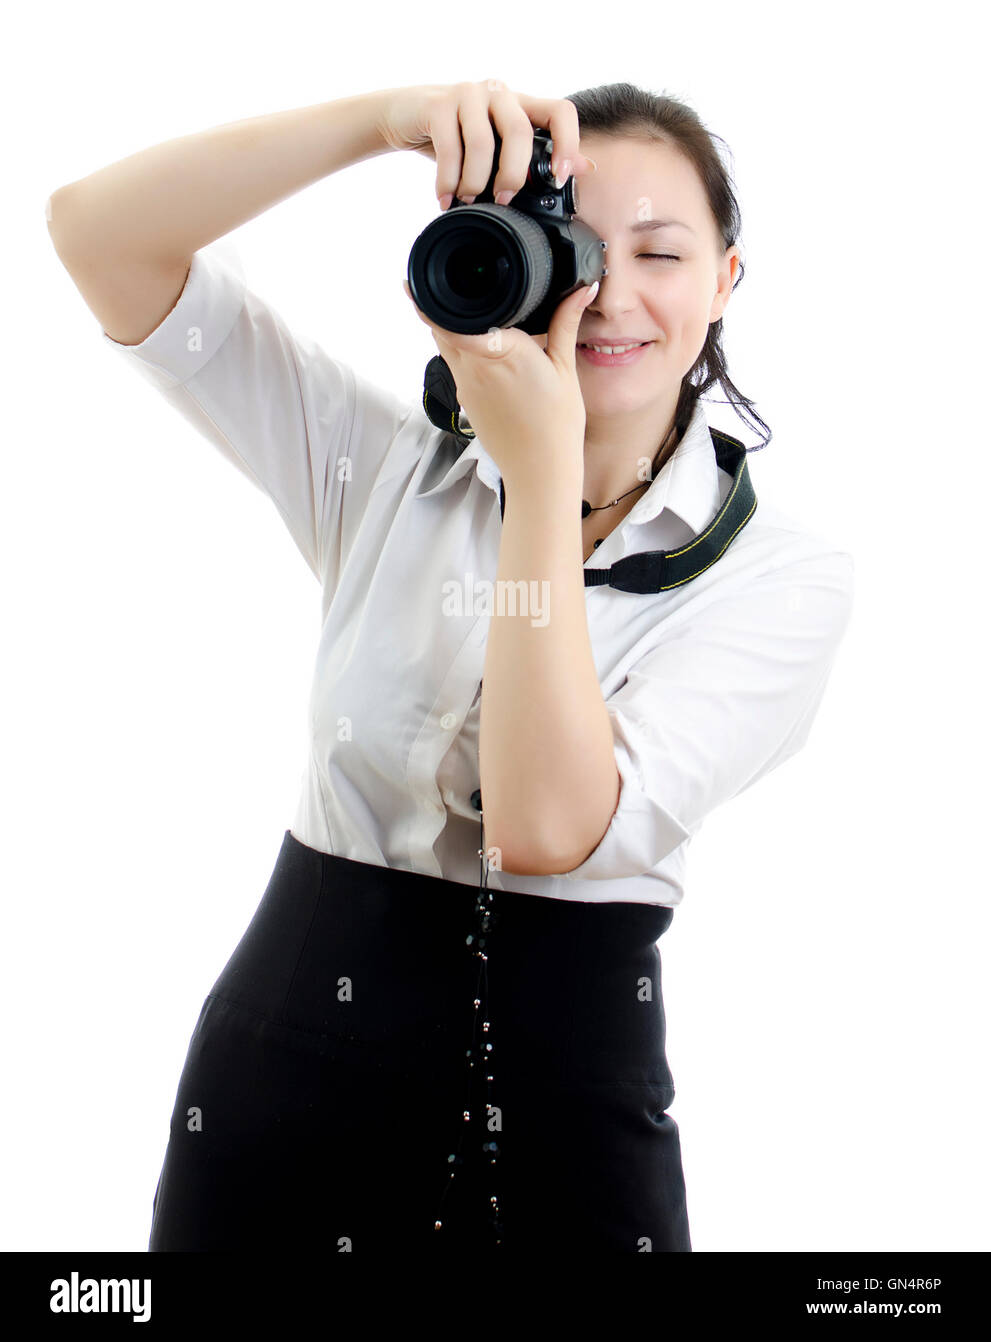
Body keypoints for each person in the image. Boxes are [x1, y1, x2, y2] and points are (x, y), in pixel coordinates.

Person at [46, 78, 855, 1254]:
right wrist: (380, 121)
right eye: (573, 250)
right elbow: (95, 236)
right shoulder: (388, 464)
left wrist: (538, 479)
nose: (610, 297)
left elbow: (543, 825)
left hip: (564, 1137)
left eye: (662, 254)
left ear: (727, 277)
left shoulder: (780, 577)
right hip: (278, 1101)